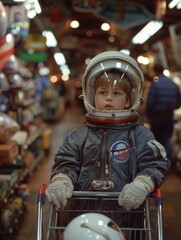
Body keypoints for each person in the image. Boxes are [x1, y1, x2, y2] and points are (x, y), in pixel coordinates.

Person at [45, 51, 170, 231]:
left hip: (126, 220)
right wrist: (62, 178)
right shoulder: (79, 135)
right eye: (103, 92)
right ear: (92, 96)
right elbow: (67, 161)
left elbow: (156, 162)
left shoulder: (141, 135)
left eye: (117, 93)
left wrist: (144, 182)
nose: (109, 97)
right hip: (82, 217)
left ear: (129, 100)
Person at [146, 64, 181, 162]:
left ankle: (157, 162)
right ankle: (167, 162)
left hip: (157, 117)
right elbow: (179, 102)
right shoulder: (173, 84)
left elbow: (150, 102)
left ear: (155, 71)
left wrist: (149, 115)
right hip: (169, 116)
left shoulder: (155, 83)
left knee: (155, 140)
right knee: (166, 139)